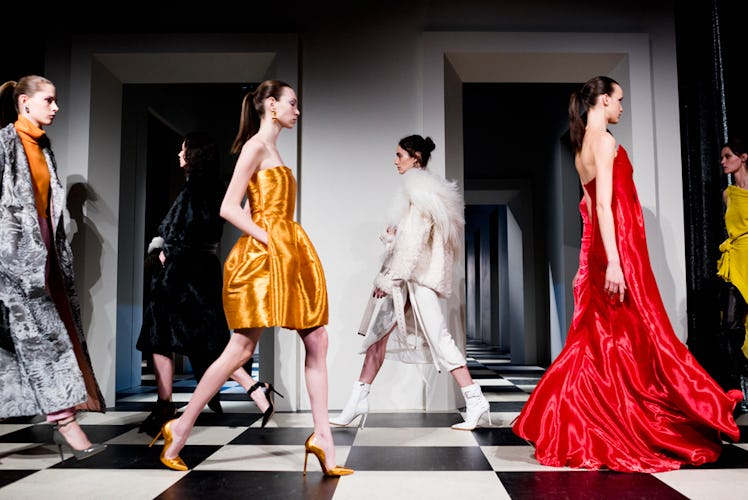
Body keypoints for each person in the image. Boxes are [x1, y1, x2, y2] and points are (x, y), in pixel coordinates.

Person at [511, 75, 743, 473]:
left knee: (607, 340)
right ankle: (663, 415)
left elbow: (585, 211)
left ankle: (578, 419)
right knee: (642, 335)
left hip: (606, 252)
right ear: (603, 100)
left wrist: (587, 265)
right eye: (618, 100)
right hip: (620, 252)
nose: (622, 107)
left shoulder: (581, 146)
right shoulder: (603, 142)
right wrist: (616, 262)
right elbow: (600, 207)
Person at [149, 80, 353, 476]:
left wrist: (280, 240)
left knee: (317, 337)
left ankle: (323, 440)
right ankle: (181, 425)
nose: (298, 109)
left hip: (287, 249)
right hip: (265, 254)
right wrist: (269, 238)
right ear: (272, 105)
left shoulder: (272, 149)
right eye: (293, 102)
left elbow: (247, 203)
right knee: (240, 349)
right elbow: (229, 207)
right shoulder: (256, 146)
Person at [330, 135, 491, 431]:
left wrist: (390, 278)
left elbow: (415, 243)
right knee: (377, 338)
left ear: (415, 157)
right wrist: (392, 238)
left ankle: (475, 398)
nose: (395, 160)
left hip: (414, 279)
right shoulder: (423, 192)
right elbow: (409, 239)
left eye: (399, 154)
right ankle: (356, 402)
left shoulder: (419, 190)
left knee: (440, 339)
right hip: (408, 279)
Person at [136, 131, 279, 438]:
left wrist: (164, 253)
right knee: (206, 341)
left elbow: (185, 231)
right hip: (201, 271)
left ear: (193, 155)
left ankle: (166, 405)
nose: (178, 155)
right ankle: (254, 389)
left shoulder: (197, 190)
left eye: (183, 150)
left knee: (161, 336)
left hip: (182, 275)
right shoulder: (215, 189)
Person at [0, 75, 107, 460]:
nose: (56, 106)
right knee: (43, 342)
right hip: (12, 264)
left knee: (38, 341)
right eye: (49, 100)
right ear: (25, 103)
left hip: (44, 259)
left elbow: (47, 210)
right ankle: (67, 425)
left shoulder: (44, 148)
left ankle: (66, 422)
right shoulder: (5, 143)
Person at [716, 136, 748, 414]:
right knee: (731, 324)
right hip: (735, 259)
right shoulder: (727, 194)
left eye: (728, 156)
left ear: (743, 157)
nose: (723, 161)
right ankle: (735, 390)